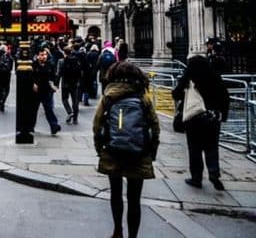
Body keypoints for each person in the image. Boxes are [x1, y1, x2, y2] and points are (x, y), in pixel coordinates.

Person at [93, 61, 159, 238]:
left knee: (116, 194)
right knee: (134, 199)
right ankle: (132, 235)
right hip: (138, 153)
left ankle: (117, 230)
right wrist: (152, 151)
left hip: (113, 151)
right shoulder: (143, 97)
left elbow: (97, 123)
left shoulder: (109, 95)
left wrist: (100, 149)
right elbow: (155, 125)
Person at [171, 55, 230, 190]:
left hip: (194, 118)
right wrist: (224, 115)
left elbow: (176, 94)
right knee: (212, 147)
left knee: (194, 148)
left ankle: (196, 178)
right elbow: (225, 97)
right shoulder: (214, 76)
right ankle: (214, 173)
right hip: (212, 118)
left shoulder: (189, 78)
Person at [31, 48, 61, 134]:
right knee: (33, 110)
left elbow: (54, 76)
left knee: (49, 109)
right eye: (42, 55)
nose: (44, 56)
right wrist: (33, 84)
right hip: (36, 91)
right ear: (37, 56)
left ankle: (54, 126)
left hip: (46, 90)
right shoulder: (33, 65)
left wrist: (54, 85)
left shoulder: (50, 65)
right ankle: (30, 127)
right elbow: (29, 76)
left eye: (45, 55)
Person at [59, 46, 83, 124]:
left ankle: (69, 112)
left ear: (64, 52)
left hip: (65, 83)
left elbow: (59, 73)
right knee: (75, 101)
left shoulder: (61, 61)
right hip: (75, 83)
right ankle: (75, 119)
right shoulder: (76, 60)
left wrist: (56, 83)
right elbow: (80, 72)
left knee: (64, 99)